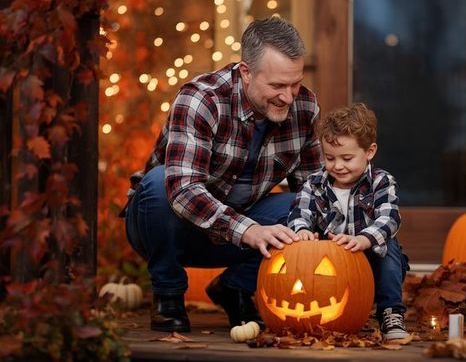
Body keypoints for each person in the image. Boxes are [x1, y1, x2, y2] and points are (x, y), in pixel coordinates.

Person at [122, 17, 323, 333]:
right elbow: (183, 189)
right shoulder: (202, 99)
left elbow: (315, 188)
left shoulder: (305, 107)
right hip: (170, 225)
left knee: (309, 207)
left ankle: (234, 287)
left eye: (294, 83)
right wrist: (248, 230)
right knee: (159, 183)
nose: (288, 96)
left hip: (239, 225)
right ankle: (168, 294)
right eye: (277, 86)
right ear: (245, 72)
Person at [287, 103, 410, 341]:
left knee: (390, 248)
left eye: (347, 158)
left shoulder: (381, 182)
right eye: (330, 158)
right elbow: (299, 211)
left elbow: (390, 218)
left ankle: (391, 311)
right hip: (330, 267)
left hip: (368, 257)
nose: (338, 166)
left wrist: (364, 239)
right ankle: (319, 314)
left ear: (370, 151)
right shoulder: (315, 183)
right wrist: (302, 230)